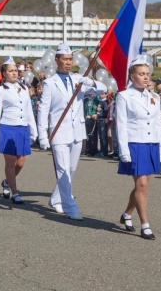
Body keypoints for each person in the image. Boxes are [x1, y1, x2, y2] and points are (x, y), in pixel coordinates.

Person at [37, 43, 107, 220]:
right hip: (59, 131)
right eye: (65, 59)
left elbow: (104, 89)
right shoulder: (49, 83)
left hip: (77, 131)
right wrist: (42, 135)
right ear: (57, 60)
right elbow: (43, 110)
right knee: (62, 170)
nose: (68, 62)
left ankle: (56, 199)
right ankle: (70, 206)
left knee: (71, 168)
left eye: (70, 59)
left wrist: (90, 82)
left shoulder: (78, 79)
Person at [116, 55, 161, 240]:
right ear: (132, 76)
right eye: (141, 74)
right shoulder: (124, 96)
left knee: (141, 186)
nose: (146, 77)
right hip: (134, 143)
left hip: (151, 143)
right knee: (142, 184)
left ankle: (127, 213)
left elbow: (157, 124)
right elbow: (121, 125)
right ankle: (145, 224)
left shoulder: (154, 97)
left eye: (147, 74)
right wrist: (123, 150)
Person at [0, 57, 38, 204]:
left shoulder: (24, 88)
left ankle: (7, 182)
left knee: (21, 162)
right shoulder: (0, 90)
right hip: (7, 128)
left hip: (22, 128)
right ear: (4, 74)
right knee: (10, 162)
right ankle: (15, 192)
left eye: (15, 70)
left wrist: (33, 130)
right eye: (11, 71)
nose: (14, 73)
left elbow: (29, 111)